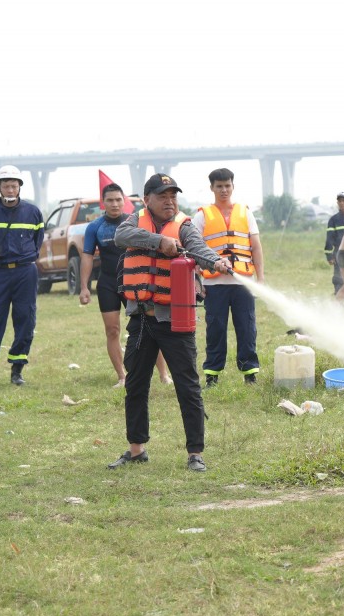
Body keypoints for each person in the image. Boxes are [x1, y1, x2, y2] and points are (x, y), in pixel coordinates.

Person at [107, 173, 232, 472]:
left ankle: (195, 453)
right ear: (147, 199)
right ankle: (136, 449)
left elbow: (199, 249)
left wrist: (215, 261)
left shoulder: (185, 226)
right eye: (163, 196)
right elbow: (120, 238)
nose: (169, 201)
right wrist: (159, 241)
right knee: (135, 384)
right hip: (141, 320)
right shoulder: (133, 222)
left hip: (176, 321)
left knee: (188, 387)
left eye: (173, 195)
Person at [79, 183, 171, 388]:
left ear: (124, 201)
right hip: (108, 283)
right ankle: (122, 376)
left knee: (151, 327)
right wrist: (84, 287)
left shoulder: (135, 222)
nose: (114, 204)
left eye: (118, 199)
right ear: (103, 203)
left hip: (136, 283)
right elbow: (86, 256)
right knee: (112, 330)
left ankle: (164, 374)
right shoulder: (95, 227)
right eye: (110, 200)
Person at [192, 168, 265, 387]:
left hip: (243, 283)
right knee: (215, 329)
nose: (224, 190)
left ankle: (250, 374)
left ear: (233, 186)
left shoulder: (245, 212)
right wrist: (196, 282)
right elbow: (194, 249)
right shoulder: (202, 215)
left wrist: (260, 279)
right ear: (212, 188)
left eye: (227, 185)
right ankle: (212, 375)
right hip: (213, 284)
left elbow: (256, 247)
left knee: (247, 327)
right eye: (219, 186)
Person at [0, 165, 44, 388]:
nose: (10, 189)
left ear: (19, 188)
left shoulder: (33, 212)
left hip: (25, 272)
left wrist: (25, 258)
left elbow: (38, 241)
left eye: (13, 185)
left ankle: (17, 370)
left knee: (25, 319)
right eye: (6, 185)